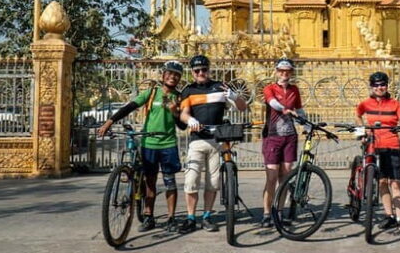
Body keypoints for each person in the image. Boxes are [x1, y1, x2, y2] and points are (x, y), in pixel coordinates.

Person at [97, 61, 184, 233]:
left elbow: (182, 127)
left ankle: (171, 218)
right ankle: (149, 216)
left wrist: (175, 112)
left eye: (176, 75)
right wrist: (109, 122)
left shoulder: (180, 97)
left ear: (179, 79)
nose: (172, 77)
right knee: (149, 182)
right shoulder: (152, 93)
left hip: (168, 144)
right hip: (149, 144)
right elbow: (129, 107)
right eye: (169, 73)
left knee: (170, 182)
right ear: (163, 75)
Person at [178, 54, 247, 234]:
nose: (201, 73)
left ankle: (207, 216)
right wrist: (190, 119)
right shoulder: (188, 90)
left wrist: (234, 95)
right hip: (197, 140)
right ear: (192, 73)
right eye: (197, 70)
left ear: (209, 70)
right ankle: (191, 217)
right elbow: (183, 114)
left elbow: (242, 107)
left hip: (217, 140)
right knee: (191, 180)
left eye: (204, 69)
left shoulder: (221, 87)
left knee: (213, 182)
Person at [355, 71, 400, 233]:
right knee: (381, 182)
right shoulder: (365, 103)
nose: (380, 88)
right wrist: (362, 130)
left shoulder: (395, 104)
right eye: (376, 85)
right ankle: (389, 216)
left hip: (392, 145)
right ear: (371, 87)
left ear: (387, 86)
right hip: (375, 145)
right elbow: (357, 114)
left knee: (395, 183)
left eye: (383, 85)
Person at [260, 58, 308, 228]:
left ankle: (279, 211)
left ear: (291, 73)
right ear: (276, 71)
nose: (284, 74)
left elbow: (300, 109)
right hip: (272, 135)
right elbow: (272, 102)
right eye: (281, 71)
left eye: (287, 71)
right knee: (271, 177)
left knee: (285, 177)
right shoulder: (269, 88)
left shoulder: (295, 89)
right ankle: (267, 212)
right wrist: (284, 109)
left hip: (289, 137)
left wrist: (307, 124)